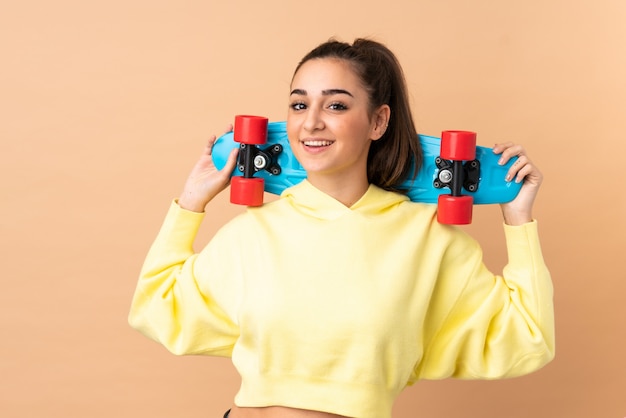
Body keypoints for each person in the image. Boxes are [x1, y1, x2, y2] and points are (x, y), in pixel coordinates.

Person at [128, 38, 555, 418]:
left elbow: (527, 338)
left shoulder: (428, 239)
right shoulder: (254, 232)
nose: (311, 122)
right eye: (299, 104)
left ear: (378, 122)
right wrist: (191, 202)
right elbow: (155, 308)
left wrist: (518, 219)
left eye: (335, 105)